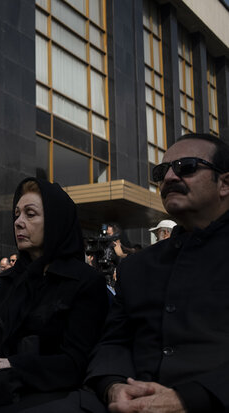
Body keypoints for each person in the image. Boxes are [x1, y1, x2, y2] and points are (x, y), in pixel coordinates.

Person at [33, 133, 229, 412]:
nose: (170, 177)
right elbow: (114, 341)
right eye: (162, 171)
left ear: (224, 184)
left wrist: (191, 399)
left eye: (187, 166)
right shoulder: (137, 267)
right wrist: (112, 386)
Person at [0, 177, 108, 413]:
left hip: (50, 393)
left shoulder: (85, 282)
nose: (19, 222)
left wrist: (9, 363)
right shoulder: (8, 282)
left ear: (56, 222)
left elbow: (75, 362)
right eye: (17, 214)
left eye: (30, 214)